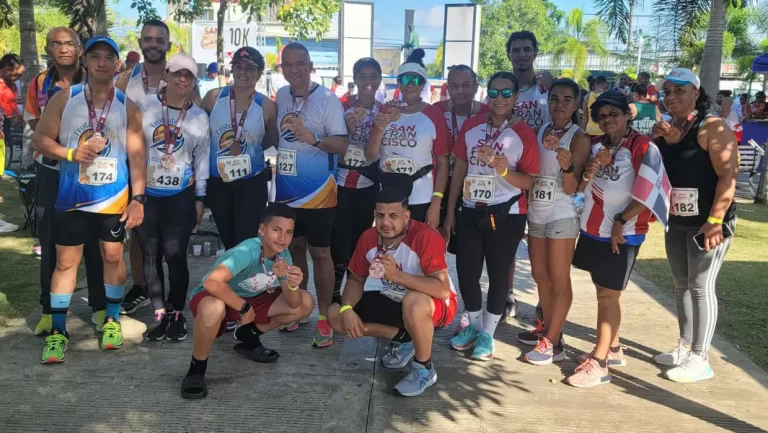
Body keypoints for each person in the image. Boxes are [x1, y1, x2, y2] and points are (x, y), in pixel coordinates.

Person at [32, 36, 146, 363]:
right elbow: (40, 139)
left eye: (108, 57)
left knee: (112, 258)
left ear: (117, 64)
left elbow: (138, 156)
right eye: (95, 56)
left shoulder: (127, 105)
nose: (101, 62)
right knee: (66, 263)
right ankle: (57, 331)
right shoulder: (65, 98)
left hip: (113, 198)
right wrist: (70, 152)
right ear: (85, 62)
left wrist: (138, 198)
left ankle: (110, 320)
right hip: (72, 197)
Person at [566, 90, 660, 387]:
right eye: (601, 116)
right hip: (593, 229)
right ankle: (614, 348)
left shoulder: (643, 146)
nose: (607, 120)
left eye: (613, 114)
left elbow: (650, 191)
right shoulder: (596, 145)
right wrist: (588, 172)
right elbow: (579, 188)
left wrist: (621, 221)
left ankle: (601, 363)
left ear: (627, 114)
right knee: (602, 291)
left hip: (623, 233)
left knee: (609, 295)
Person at [326, 187, 457, 397]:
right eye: (380, 216)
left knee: (414, 301)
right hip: (396, 298)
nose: (386, 223)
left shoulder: (425, 236)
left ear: (406, 217)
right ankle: (405, 338)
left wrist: (398, 276)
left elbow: (442, 290)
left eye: (393, 216)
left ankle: (424, 369)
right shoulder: (369, 237)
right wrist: (348, 309)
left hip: (435, 305)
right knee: (335, 314)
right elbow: (356, 280)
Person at [445, 71, 539, 361]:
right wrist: (451, 210)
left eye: (506, 93)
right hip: (471, 210)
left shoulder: (523, 133)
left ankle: (488, 333)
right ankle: (473, 326)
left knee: (498, 275)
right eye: (494, 93)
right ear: (487, 94)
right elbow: (460, 168)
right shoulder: (473, 126)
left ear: (516, 97)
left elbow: (531, 180)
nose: (500, 99)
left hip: (507, 213)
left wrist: (505, 171)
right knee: (467, 272)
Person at [652, 69, 737, 383]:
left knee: (701, 286)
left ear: (696, 94)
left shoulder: (711, 126)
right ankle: (685, 346)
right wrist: (656, 139)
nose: (672, 97)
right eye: (668, 91)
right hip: (677, 221)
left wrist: (715, 221)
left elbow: (729, 176)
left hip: (709, 223)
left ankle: (701, 358)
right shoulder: (669, 127)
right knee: (681, 285)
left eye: (680, 91)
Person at [181, 203, 315, 399]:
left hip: (249, 298)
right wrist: (244, 308)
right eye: (276, 230)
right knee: (213, 307)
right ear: (262, 230)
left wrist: (293, 283)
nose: (283, 238)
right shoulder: (247, 251)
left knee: (306, 302)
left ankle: (247, 335)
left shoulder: (283, 254)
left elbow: (294, 303)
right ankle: (196, 369)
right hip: (216, 296)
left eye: (289, 232)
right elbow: (211, 282)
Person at [25, 28, 108, 336]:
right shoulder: (38, 84)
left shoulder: (94, 80)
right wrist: (67, 149)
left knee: (96, 241)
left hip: (90, 171)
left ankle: (100, 306)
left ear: (79, 50)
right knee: (49, 240)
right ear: (48, 49)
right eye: (56, 44)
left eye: (69, 43)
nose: (63, 49)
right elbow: (39, 132)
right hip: (52, 170)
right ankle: (49, 309)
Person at [275, 43, 348, 345]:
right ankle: (298, 309)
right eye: (288, 65)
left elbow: (342, 144)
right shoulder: (280, 96)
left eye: (300, 64)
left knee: (321, 254)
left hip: (319, 190)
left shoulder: (327, 99)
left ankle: (324, 316)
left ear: (310, 65)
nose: (294, 70)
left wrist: (315, 139)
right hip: (286, 189)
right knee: (294, 250)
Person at [136, 54, 211, 342]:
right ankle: (158, 312)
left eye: (189, 76)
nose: (182, 80)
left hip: (180, 194)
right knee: (151, 254)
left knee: (176, 256)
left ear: (193, 81)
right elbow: (136, 149)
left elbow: (202, 158)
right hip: (148, 194)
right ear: (166, 75)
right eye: (177, 74)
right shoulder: (146, 107)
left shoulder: (198, 117)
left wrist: (200, 197)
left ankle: (177, 311)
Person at [522, 78, 590, 365]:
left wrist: (567, 165)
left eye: (566, 100)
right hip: (537, 210)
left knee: (559, 277)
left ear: (576, 104)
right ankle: (551, 332)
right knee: (540, 275)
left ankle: (553, 340)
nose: (559, 105)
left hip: (562, 212)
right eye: (554, 99)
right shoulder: (541, 131)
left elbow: (574, 187)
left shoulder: (579, 137)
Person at [115, 19, 173, 316]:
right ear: (140, 43)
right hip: (134, 167)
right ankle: (140, 286)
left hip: (170, 168)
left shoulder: (179, 76)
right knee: (137, 232)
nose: (153, 44)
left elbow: (196, 112)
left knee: (168, 236)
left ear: (168, 46)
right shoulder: (126, 79)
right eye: (148, 39)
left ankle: (166, 292)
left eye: (159, 40)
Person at [201, 47, 277, 251]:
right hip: (219, 181)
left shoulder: (267, 106)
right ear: (232, 69)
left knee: (247, 241)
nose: (244, 73)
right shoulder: (213, 98)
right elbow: (200, 136)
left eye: (250, 69)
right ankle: (230, 282)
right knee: (228, 240)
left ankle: (243, 282)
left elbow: (271, 139)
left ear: (260, 73)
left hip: (251, 182)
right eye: (239, 67)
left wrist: (251, 149)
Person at [366, 49, 449, 228]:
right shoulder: (386, 110)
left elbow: (443, 162)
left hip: (421, 195)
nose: (410, 85)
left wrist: (436, 202)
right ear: (398, 82)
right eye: (405, 79)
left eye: (416, 80)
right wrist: (379, 128)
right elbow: (370, 154)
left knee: (418, 249)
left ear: (423, 84)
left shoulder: (434, 114)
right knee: (390, 249)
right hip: (388, 192)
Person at [504, 30, 550, 319]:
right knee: (508, 241)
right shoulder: (501, 88)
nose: (521, 54)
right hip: (508, 176)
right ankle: (507, 294)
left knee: (540, 243)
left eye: (526, 49)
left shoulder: (548, 91)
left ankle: (544, 300)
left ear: (534, 52)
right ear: (509, 54)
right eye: (516, 50)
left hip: (543, 177)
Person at [332, 57, 385, 309]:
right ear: (354, 79)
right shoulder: (340, 106)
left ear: (379, 80)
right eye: (362, 76)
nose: (368, 81)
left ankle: (352, 296)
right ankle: (333, 294)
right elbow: (332, 147)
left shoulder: (384, 111)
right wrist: (347, 130)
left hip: (368, 185)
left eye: (373, 76)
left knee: (359, 244)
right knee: (338, 243)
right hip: (341, 183)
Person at [0, 54, 24, 231]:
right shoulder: (4, 89)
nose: (17, 80)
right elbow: (15, 118)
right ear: (7, 70)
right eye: (17, 76)